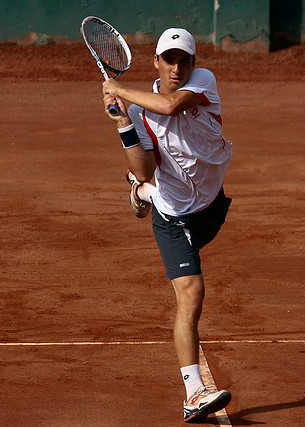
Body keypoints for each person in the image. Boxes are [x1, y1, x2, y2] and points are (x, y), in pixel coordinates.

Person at [101, 28, 233, 423]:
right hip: (175, 217)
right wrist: (123, 120)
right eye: (169, 59)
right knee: (191, 295)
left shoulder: (202, 82)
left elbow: (173, 106)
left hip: (212, 206)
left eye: (184, 60)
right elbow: (143, 167)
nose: (178, 67)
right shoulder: (139, 111)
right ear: (156, 62)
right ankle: (194, 391)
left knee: (145, 188)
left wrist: (119, 90)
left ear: (194, 63)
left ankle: (139, 196)